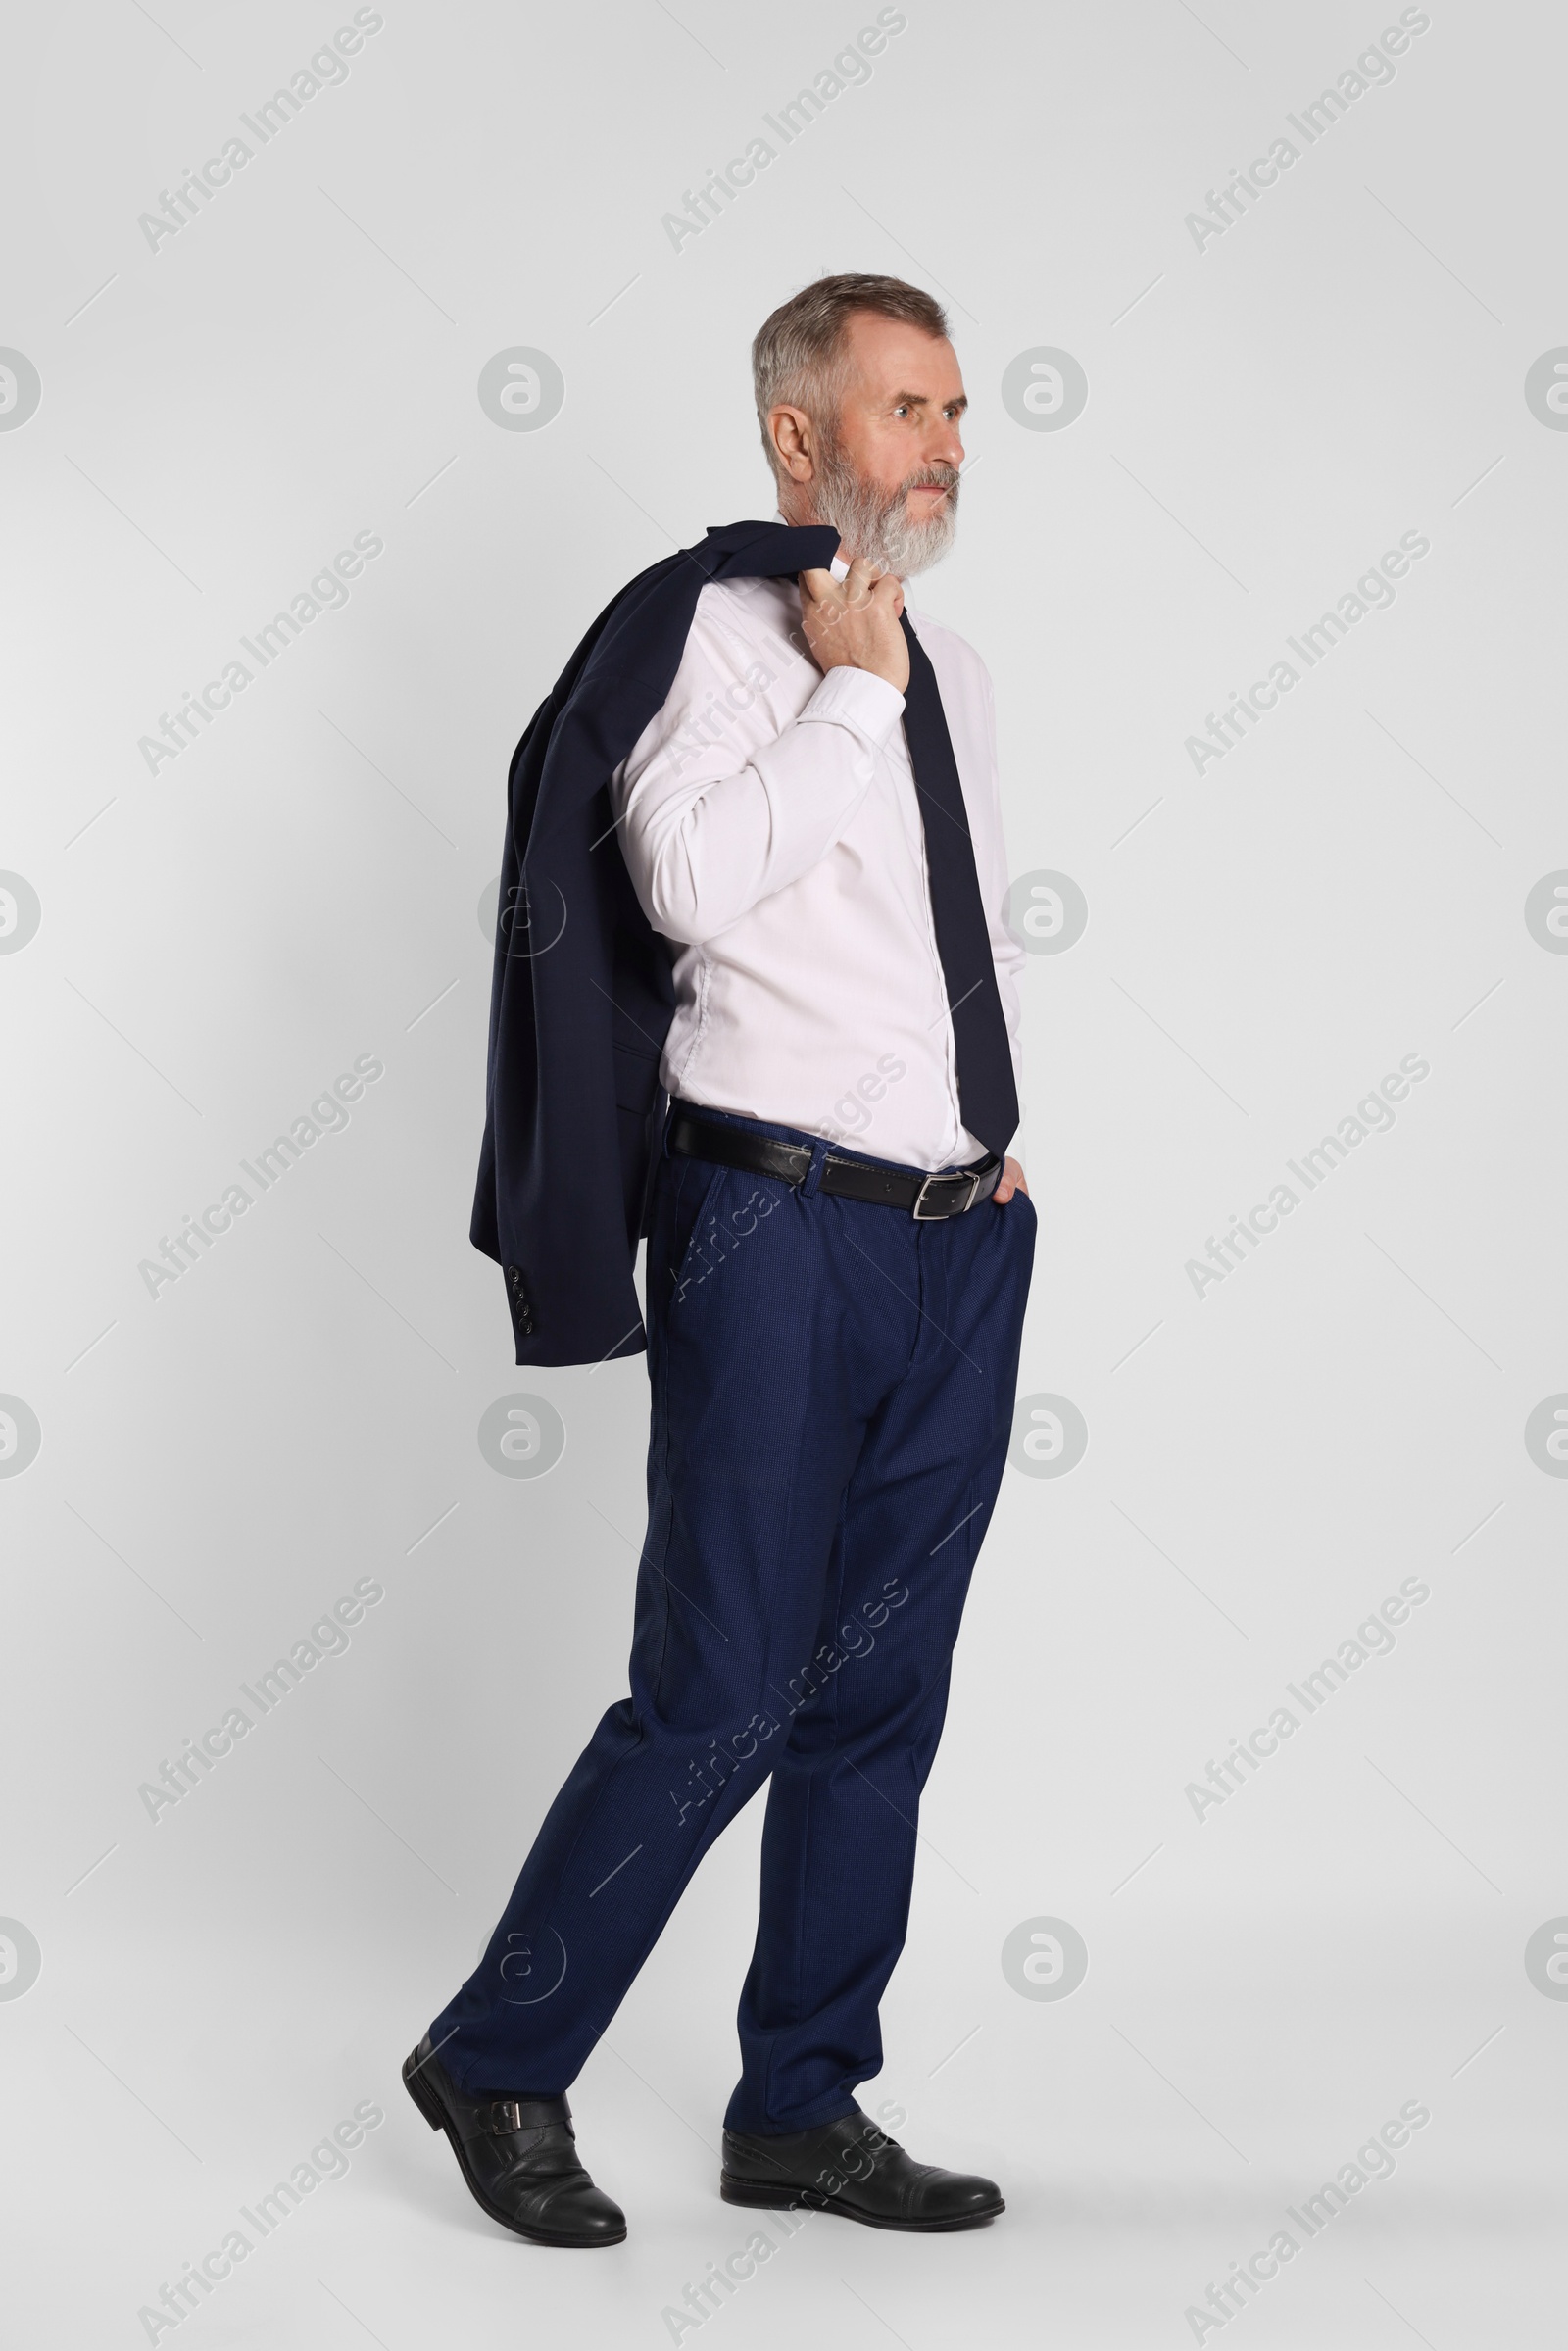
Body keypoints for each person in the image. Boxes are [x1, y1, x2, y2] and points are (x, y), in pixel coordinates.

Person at [404, 273, 1035, 2246]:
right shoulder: (701, 633)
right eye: (907, 405)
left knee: (880, 1697)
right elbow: (675, 883)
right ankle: (497, 2063)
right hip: (770, 1224)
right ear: (796, 436)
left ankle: (797, 2108)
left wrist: (992, 1153)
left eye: (954, 405)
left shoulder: (957, 669)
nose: (947, 437)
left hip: (951, 1241)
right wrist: (843, 692)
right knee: (720, 1690)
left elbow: (927, 954)